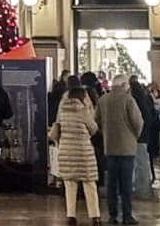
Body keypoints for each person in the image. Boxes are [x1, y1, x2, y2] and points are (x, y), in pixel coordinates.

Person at [49, 75, 101, 226]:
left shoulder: (63, 107)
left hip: (66, 149)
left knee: (70, 184)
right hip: (83, 150)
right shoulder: (83, 108)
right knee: (89, 183)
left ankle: (71, 216)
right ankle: (95, 216)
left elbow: (57, 125)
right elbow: (93, 128)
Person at [96, 74, 142, 225]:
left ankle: (112, 215)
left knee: (112, 184)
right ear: (123, 85)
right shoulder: (128, 100)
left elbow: (96, 121)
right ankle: (127, 215)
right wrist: (134, 136)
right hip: (127, 148)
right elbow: (138, 121)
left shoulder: (103, 100)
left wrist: (105, 133)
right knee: (126, 184)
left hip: (109, 147)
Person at [129, 76, 156, 197]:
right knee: (142, 160)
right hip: (145, 134)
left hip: (139, 135)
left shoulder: (135, 103)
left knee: (139, 161)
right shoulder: (146, 99)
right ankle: (143, 185)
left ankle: (141, 187)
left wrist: (137, 131)